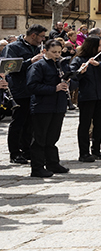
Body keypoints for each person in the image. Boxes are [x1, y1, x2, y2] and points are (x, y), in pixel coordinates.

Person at [26, 38, 71, 177]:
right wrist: (54, 88)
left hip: (58, 105)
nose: (57, 55)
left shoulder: (61, 64)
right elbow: (32, 86)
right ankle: (37, 167)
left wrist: (69, 83)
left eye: (59, 52)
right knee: (40, 138)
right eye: (53, 52)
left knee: (53, 136)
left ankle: (53, 163)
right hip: (42, 106)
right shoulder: (38, 66)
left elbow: (71, 80)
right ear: (45, 51)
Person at [70, 37, 101, 162]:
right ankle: (84, 153)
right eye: (99, 45)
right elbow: (72, 77)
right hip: (87, 96)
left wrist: (100, 64)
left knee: (99, 124)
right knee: (85, 125)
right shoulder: (79, 59)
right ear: (91, 46)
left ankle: (96, 150)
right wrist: (81, 71)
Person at [3, 24, 46, 165]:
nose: (42, 40)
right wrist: (31, 61)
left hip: (34, 89)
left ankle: (27, 150)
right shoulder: (13, 47)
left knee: (30, 124)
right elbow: (9, 68)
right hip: (19, 89)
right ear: (33, 35)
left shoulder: (38, 47)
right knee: (18, 123)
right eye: (41, 37)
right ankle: (14, 153)